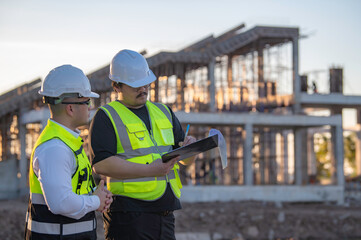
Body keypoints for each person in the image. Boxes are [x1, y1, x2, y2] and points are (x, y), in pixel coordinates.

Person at [89, 49, 197, 240]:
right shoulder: (106, 116)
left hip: (165, 213)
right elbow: (101, 164)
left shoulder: (163, 112)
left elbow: (184, 161)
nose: (143, 89)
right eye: (135, 85)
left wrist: (192, 149)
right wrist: (151, 170)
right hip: (128, 216)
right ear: (117, 86)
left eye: (145, 83)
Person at [25, 64, 113, 240]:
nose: (90, 107)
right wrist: (96, 201)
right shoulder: (54, 148)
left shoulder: (67, 142)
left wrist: (96, 194)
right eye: (87, 101)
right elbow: (61, 203)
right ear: (70, 108)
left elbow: (73, 188)